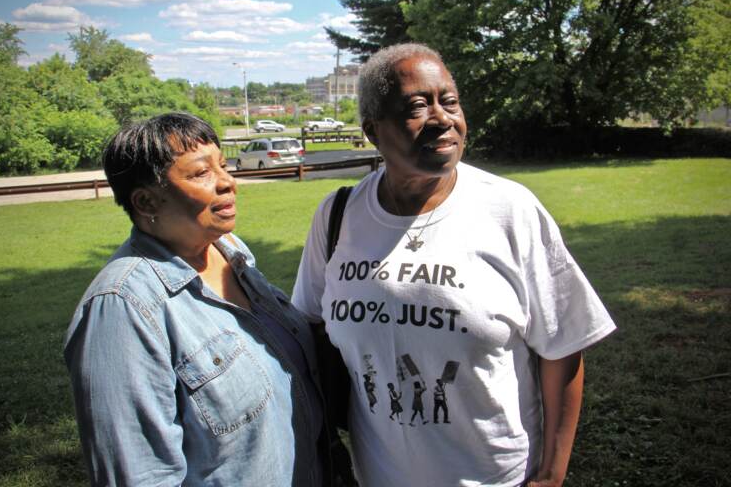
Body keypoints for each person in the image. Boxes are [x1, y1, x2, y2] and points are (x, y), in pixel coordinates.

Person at [292, 44, 616, 486]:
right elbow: (310, 329)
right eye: (417, 106)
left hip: (497, 477)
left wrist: (552, 473)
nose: (442, 118)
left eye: (450, 101)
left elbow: (563, 345)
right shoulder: (338, 217)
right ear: (373, 130)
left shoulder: (509, 209)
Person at [64, 113, 334, 486]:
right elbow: (140, 475)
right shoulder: (122, 307)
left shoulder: (230, 253)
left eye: (223, 166)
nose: (227, 183)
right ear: (146, 202)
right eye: (200, 173)